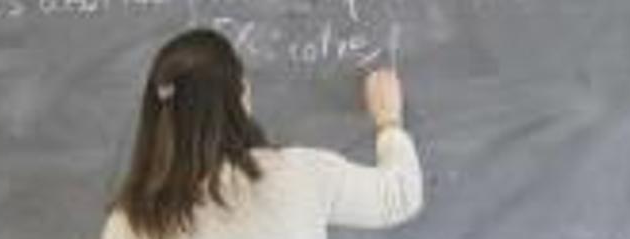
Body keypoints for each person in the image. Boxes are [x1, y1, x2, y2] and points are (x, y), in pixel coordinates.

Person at [102, 28, 423, 239]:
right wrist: (388, 122)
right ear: (241, 95)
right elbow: (399, 196)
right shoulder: (299, 174)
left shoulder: (127, 223)